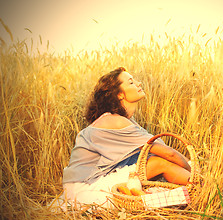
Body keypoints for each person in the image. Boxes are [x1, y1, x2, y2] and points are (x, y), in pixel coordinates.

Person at [61, 67, 191, 207]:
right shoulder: (115, 121)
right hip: (85, 190)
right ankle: (201, 187)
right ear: (119, 94)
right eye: (131, 82)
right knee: (158, 163)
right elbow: (169, 154)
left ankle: (195, 186)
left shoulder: (120, 120)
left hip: (86, 185)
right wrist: (193, 171)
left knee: (154, 163)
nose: (139, 83)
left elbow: (150, 153)